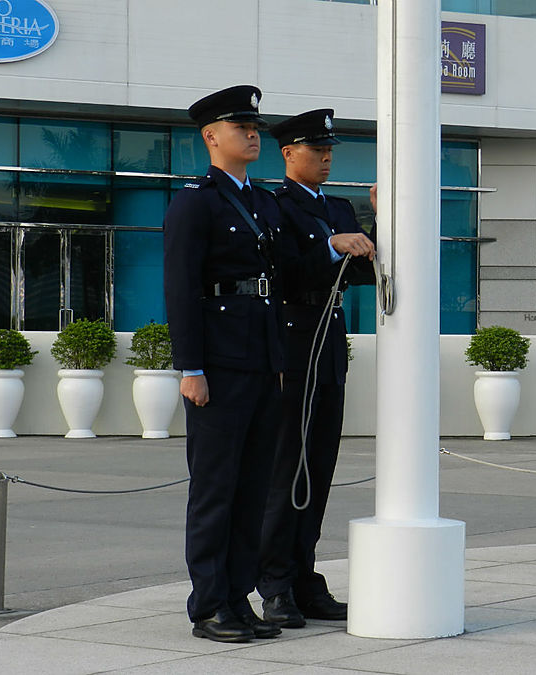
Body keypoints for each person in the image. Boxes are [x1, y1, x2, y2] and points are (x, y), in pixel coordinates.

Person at [163, 85, 290, 643]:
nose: (253, 135)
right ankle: (210, 604)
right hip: (217, 361)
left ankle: (238, 599)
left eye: (256, 127)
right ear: (211, 136)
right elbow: (181, 289)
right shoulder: (196, 200)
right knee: (216, 488)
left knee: (253, 487)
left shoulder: (263, 202)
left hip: (260, 359)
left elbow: (286, 277)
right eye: (242, 127)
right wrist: (190, 366)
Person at [258, 109, 376, 627]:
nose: (326, 158)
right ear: (288, 154)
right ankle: (274, 582)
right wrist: (330, 244)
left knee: (320, 468)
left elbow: (370, 271)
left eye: (329, 150)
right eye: (315, 150)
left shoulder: (340, 208)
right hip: (291, 341)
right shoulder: (273, 205)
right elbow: (281, 265)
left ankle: (304, 575)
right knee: (287, 469)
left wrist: (382, 219)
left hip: (327, 342)